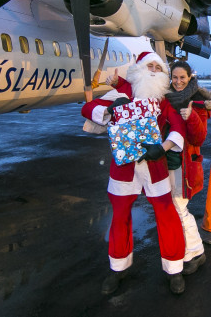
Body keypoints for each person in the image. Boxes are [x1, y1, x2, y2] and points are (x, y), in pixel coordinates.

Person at [81, 51, 188, 295]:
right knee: (119, 216)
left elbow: (178, 126)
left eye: (157, 67)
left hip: (155, 164)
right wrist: (110, 110)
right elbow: (88, 108)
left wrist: (162, 148)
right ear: (138, 68)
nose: (152, 70)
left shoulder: (162, 101)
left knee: (166, 213)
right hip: (123, 167)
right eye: (148, 65)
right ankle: (118, 268)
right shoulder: (122, 93)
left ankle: (175, 269)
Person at [163, 60, 211, 275]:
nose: (178, 82)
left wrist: (192, 118)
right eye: (175, 77)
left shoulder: (197, 101)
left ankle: (195, 254)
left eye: (182, 77)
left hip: (185, 165)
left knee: (179, 209)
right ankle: (188, 252)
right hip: (165, 163)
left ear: (190, 78)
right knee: (172, 209)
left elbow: (199, 138)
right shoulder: (165, 98)